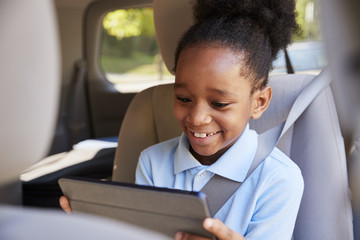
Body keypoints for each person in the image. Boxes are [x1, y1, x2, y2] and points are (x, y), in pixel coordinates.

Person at [61, 0, 304, 239]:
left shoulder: (278, 179)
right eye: (183, 99)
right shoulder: (153, 162)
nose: (197, 118)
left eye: (219, 104)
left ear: (259, 102)